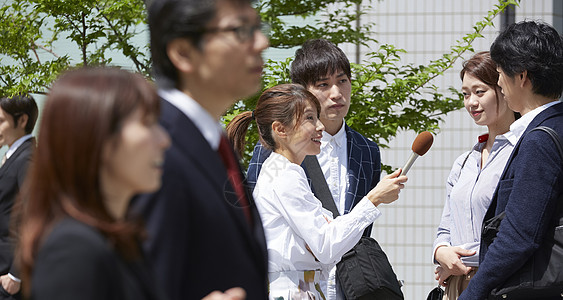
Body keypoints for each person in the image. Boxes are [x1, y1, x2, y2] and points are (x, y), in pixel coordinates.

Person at [130, 0, 270, 299]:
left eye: (257, 27)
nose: (262, 42)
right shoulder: (156, 149)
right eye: (240, 30)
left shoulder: (211, 143)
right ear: (183, 52)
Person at [227, 83, 408, 299]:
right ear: (280, 129)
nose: (320, 127)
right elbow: (326, 245)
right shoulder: (285, 174)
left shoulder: (280, 170)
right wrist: (373, 199)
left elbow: (323, 243)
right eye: (309, 119)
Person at [14, 67, 170, 300]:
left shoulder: (119, 233)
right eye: (147, 123)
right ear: (99, 138)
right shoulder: (73, 252)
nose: (164, 140)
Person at [246, 38, 381, 299]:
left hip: (350, 285)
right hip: (293, 284)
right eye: (323, 84)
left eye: (342, 80)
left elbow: (361, 233)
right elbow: (251, 223)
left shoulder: (367, 150)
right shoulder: (272, 152)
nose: (336, 93)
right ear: (303, 91)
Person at [459, 20, 563, 300]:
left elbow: (519, 236)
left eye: (502, 73)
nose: (500, 83)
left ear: (522, 76)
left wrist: (473, 293)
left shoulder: (540, 139)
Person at [432, 51, 518, 299]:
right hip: (455, 287)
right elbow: (445, 228)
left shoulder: (520, 153)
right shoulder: (464, 162)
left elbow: (518, 235)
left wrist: (463, 258)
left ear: (503, 88)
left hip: (498, 285)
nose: (471, 102)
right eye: (466, 94)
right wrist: (441, 252)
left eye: (480, 92)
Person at [0, 94, 38, 299]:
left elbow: (35, 214)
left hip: (11, 276)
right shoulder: (16, 155)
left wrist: (15, 275)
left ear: (22, 120)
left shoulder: (27, 159)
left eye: (1, 121)